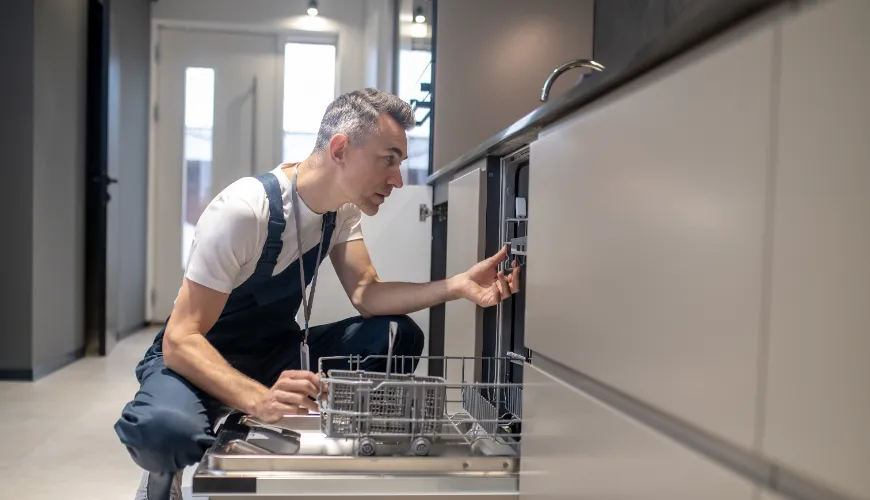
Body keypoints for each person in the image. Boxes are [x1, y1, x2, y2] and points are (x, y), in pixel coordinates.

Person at [114, 88, 521, 500]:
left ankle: (324, 439)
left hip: (275, 354)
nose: (398, 179)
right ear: (340, 148)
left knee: (398, 334)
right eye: (389, 159)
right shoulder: (244, 210)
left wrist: (458, 285)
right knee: (164, 432)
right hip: (198, 359)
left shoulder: (342, 212)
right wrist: (257, 398)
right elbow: (180, 339)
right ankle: (163, 476)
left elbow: (367, 294)